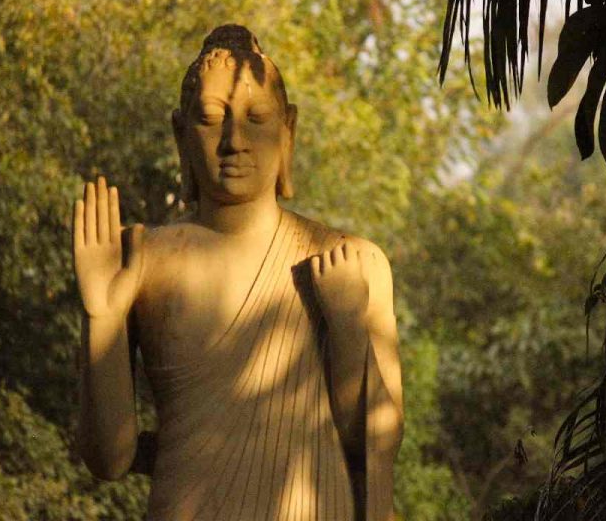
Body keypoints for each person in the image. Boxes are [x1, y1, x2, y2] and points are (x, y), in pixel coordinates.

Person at [73, 25, 403, 520]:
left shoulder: (349, 262)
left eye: (257, 118)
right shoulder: (141, 263)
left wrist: (349, 329)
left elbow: (377, 442)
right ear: (181, 134)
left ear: (288, 130)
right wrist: (101, 319)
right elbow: (109, 459)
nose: (234, 141)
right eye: (210, 119)